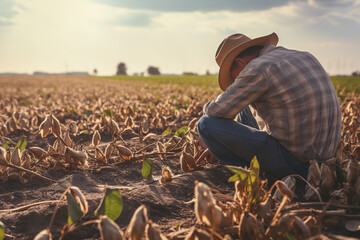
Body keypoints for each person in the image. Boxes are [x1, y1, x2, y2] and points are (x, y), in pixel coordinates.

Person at [196, 32, 341, 179]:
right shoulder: (305, 56)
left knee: (205, 124)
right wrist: (226, 142)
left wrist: (220, 144)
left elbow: (215, 110)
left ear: (241, 63)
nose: (235, 82)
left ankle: (252, 177)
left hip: (298, 165)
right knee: (245, 107)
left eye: (234, 77)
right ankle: (243, 158)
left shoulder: (257, 68)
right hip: (325, 163)